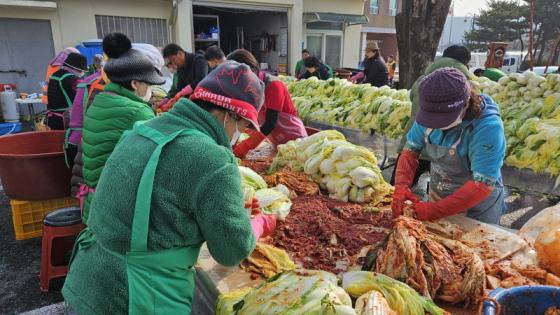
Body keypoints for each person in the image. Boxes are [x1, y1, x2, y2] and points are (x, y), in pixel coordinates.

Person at [62, 60, 276, 314]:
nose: (242, 133)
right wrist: (258, 224)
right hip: (135, 294)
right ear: (229, 114)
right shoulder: (213, 158)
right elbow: (231, 251)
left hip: (88, 277)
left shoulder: (144, 129)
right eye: (243, 126)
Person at [391, 67, 506, 225]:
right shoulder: (428, 114)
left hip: (477, 204)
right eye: (431, 119)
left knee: (473, 246)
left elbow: (482, 184)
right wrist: (401, 186)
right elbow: (410, 151)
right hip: (440, 191)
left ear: (465, 103)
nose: (435, 125)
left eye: (442, 120)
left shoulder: (488, 127)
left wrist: (434, 210)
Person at [80, 33, 165, 223]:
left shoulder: (102, 99)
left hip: (95, 200)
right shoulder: (136, 111)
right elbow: (158, 160)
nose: (151, 89)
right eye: (149, 83)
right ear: (135, 83)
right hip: (117, 207)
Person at [391, 44, 476, 187]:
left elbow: (412, 98)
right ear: (465, 62)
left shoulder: (423, 79)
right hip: (444, 149)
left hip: (416, 140)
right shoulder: (468, 85)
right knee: (440, 189)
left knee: (395, 189)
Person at [226, 49, 308, 158]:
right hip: (276, 138)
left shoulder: (273, 85)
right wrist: (233, 140)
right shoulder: (250, 87)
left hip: (294, 138)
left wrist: (245, 147)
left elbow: (270, 123)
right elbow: (246, 118)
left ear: (251, 70)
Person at [46, 52, 87, 130]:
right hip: (67, 121)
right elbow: (82, 99)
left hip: (53, 119)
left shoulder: (54, 75)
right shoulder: (74, 80)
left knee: (57, 141)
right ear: (77, 68)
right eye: (82, 70)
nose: (83, 73)